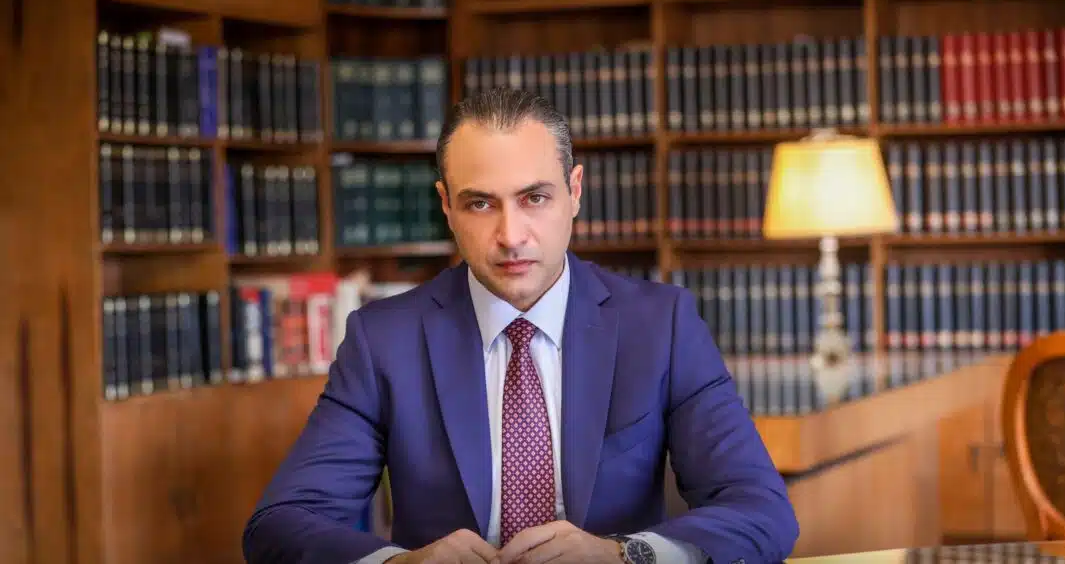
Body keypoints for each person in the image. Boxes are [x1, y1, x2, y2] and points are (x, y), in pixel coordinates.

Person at [242, 87, 799, 564]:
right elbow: (282, 523)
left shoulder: (661, 325)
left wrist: (623, 555)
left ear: (575, 192)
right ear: (446, 205)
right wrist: (400, 563)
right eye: (481, 204)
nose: (511, 235)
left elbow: (761, 510)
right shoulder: (383, 340)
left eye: (534, 198)